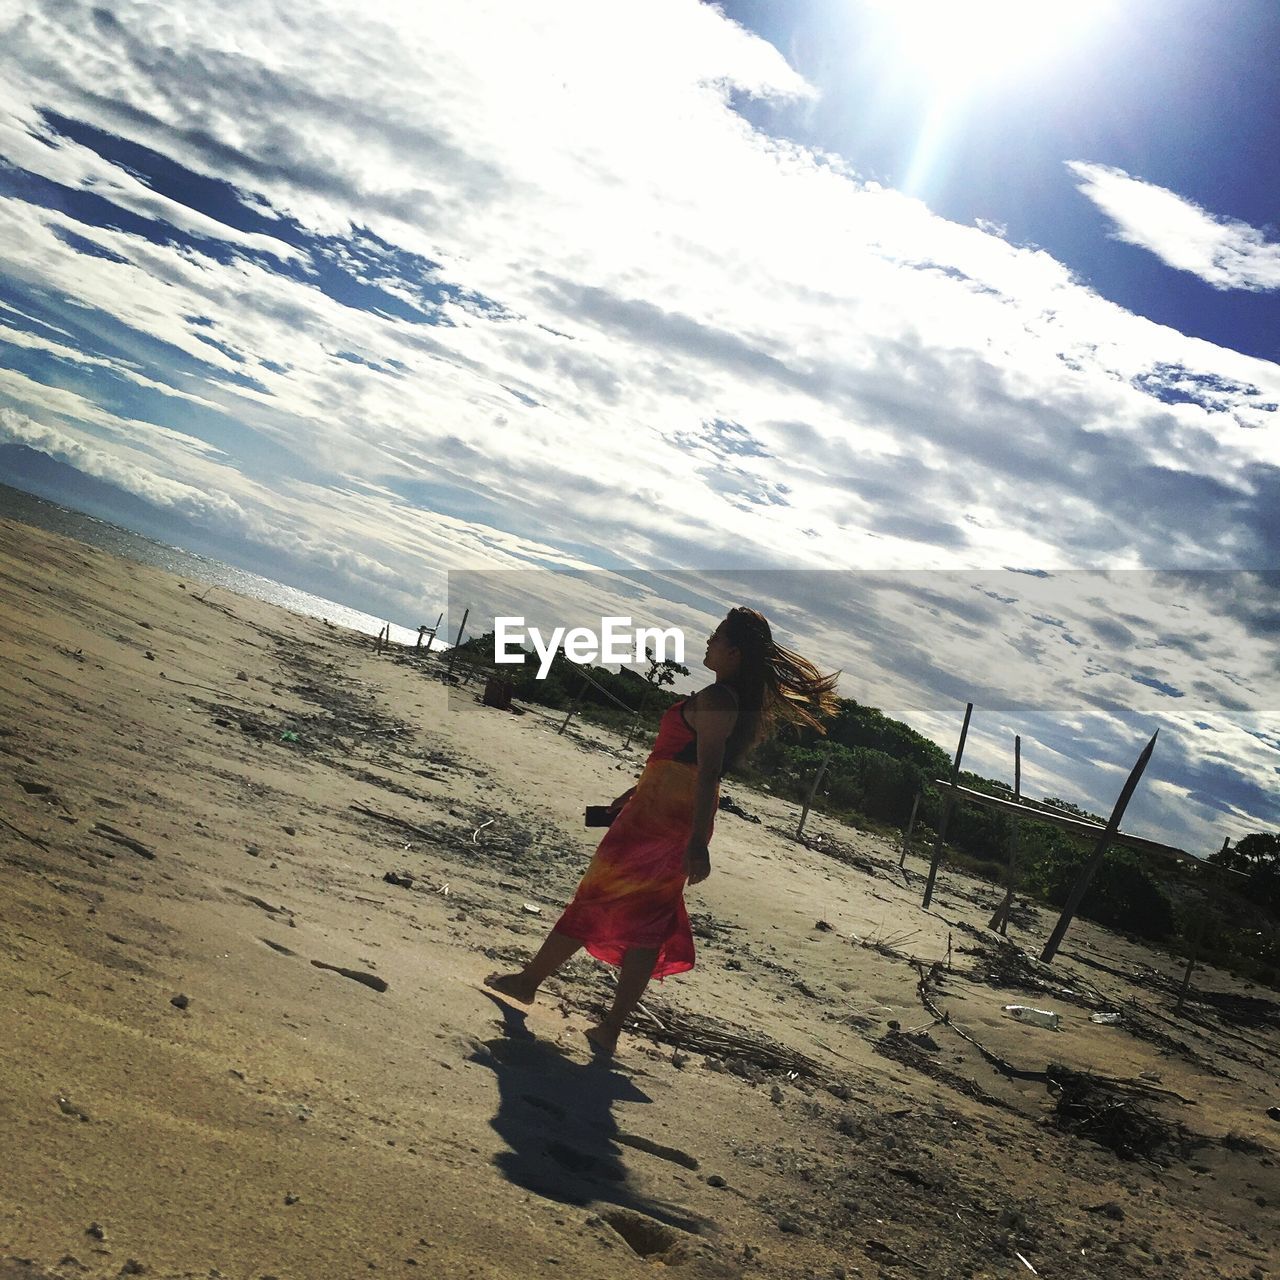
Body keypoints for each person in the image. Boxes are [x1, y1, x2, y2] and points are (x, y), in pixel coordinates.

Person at [485, 606, 839, 1055]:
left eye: (716, 637)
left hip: (663, 824)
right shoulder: (720, 698)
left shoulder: (717, 701)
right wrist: (631, 793)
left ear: (734, 651)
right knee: (647, 921)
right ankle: (606, 1025)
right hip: (656, 812)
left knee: (600, 896)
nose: (708, 643)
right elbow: (680, 761)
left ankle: (530, 982)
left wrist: (695, 842)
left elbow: (708, 774)